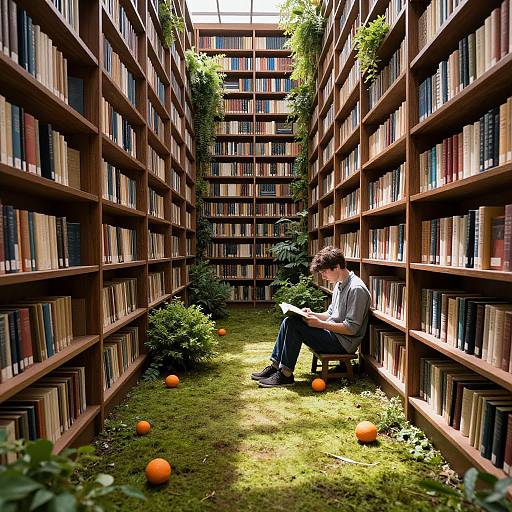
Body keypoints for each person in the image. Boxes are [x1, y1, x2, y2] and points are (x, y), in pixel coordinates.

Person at [252, 246, 371, 388]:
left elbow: (351, 329)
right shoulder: (340, 284)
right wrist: (312, 314)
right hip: (333, 335)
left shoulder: (356, 289)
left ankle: (286, 375)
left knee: (294, 325)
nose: (323, 277)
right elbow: (330, 314)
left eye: (324, 272)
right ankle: (276, 365)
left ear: (337, 267)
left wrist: (319, 324)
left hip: (342, 344)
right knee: (289, 320)